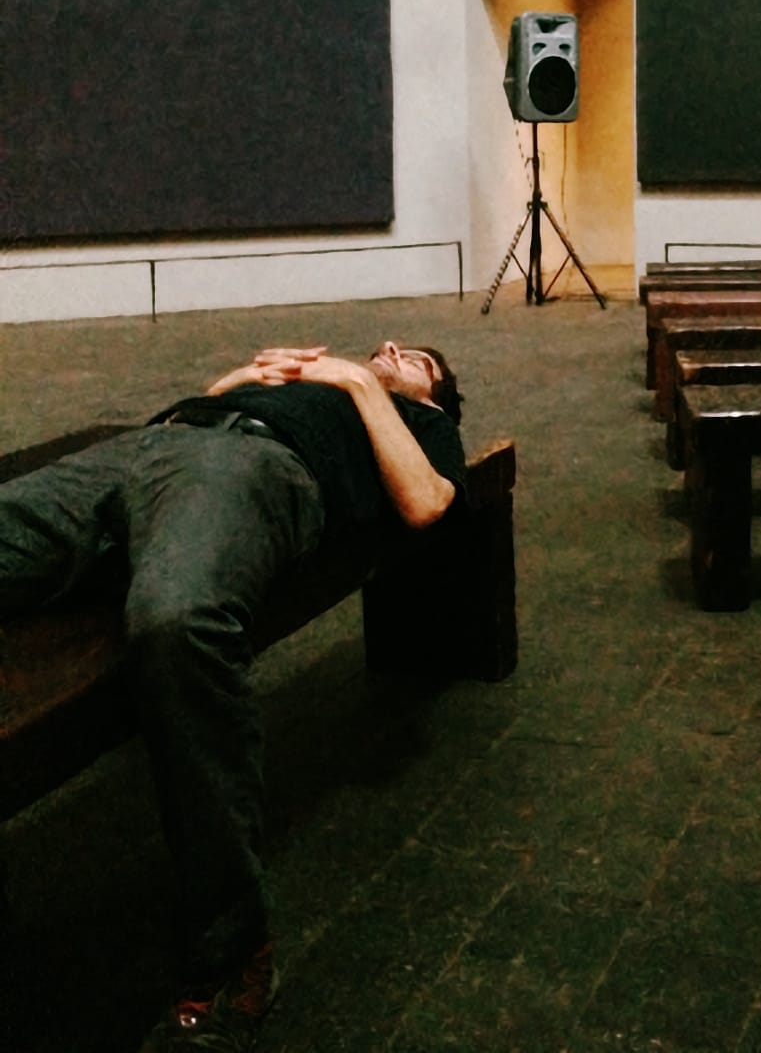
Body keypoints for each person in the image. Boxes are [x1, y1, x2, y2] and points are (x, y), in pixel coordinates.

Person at [0, 340, 467, 1052]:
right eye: (380, 350)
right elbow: (209, 403)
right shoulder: (308, 383)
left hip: (248, 468)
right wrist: (248, 376)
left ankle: (230, 952)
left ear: (433, 395)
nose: (389, 350)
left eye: (416, 360)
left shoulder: (422, 423)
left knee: (178, 622)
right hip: (149, 446)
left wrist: (360, 383)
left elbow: (427, 502)